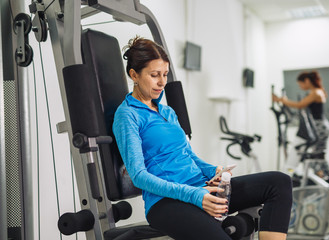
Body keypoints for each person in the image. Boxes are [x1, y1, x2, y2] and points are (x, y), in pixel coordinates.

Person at [113, 36, 292, 240]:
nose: (162, 82)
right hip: (167, 202)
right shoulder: (127, 115)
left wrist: (213, 170)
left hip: (201, 188)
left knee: (278, 182)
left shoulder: (167, 112)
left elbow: (188, 155)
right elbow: (139, 176)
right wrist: (194, 195)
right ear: (134, 75)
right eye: (154, 75)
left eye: (164, 74)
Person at [272, 71, 329, 178]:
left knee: (317, 156)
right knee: (318, 155)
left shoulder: (316, 92)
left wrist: (281, 100)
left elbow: (300, 105)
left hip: (319, 127)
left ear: (307, 81)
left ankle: (325, 178)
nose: (300, 86)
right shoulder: (317, 91)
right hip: (320, 126)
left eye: (300, 84)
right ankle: (325, 178)